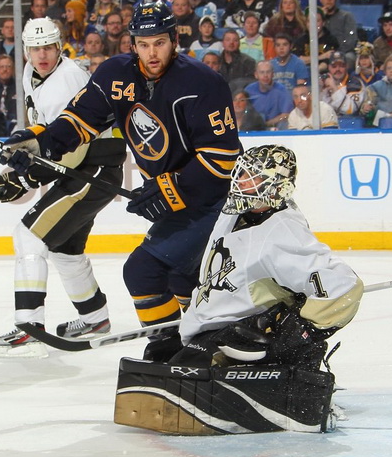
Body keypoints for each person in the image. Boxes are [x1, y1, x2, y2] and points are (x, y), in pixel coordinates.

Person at [0, 1, 242, 360]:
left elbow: (222, 157)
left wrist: (169, 187)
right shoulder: (116, 74)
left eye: (159, 42)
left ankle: (168, 352)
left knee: (145, 271)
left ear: (174, 40)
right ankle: (206, 347)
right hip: (174, 202)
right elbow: (80, 121)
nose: (151, 52)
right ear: (132, 44)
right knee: (182, 280)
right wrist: (40, 143)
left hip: (213, 201)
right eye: (143, 44)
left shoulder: (203, 83)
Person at [114, 145, 363, 435]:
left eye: (251, 177)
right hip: (211, 331)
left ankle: (288, 376)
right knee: (162, 360)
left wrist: (302, 331)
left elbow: (343, 286)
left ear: (275, 186)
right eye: (241, 173)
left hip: (239, 338)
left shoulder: (283, 232)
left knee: (176, 375)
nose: (240, 181)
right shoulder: (235, 211)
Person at [0, 17, 126, 358]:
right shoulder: (30, 74)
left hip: (92, 169)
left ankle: (28, 326)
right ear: (26, 51)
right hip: (81, 170)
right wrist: (24, 155)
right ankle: (94, 317)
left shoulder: (67, 79)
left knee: (28, 235)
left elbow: (74, 148)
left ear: (59, 45)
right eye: (35, 49)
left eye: (48, 47)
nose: (42, 55)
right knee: (64, 247)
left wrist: (27, 176)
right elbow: (46, 132)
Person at [245, 59, 293, 128]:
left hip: (275, 127)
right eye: (262, 72)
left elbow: (286, 115)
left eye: (268, 72)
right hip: (253, 127)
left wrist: (266, 124)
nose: (265, 75)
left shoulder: (282, 90)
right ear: (256, 75)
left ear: (273, 74)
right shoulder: (248, 90)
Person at [319, 0, 358, 71]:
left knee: (349, 58)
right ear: (321, 0)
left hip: (344, 52)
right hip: (322, 53)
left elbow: (351, 40)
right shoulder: (316, 18)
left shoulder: (346, 16)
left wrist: (336, 54)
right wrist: (322, 17)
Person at [293, 6, 338, 75]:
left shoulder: (331, 40)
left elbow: (328, 61)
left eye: (317, 21)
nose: (313, 24)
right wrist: (322, 56)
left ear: (323, 23)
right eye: (309, 21)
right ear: (306, 24)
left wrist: (315, 70)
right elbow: (298, 60)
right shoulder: (300, 40)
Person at [320, 51, 366, 116]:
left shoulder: (355, 83)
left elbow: (350, 110)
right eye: (334, 66)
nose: (338, 69)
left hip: (349, 124)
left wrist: (334, 89)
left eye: (341, 66)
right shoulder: (323, 83)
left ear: (347, 67)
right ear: (329, 67)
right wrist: (319, 90)